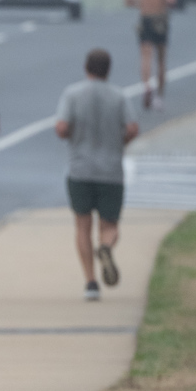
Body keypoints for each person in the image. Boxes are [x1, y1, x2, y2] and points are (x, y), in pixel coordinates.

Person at [54, 49, 139, 301]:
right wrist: (119, 140)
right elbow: (133, 127)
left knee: (82, 224)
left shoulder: (72, 94)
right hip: (111, 170)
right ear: (108, 69)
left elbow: (61, 127)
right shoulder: (119, 96)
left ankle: (90, 282)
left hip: (80, 168)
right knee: (110, 224)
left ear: (86, 67)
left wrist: (72, 136)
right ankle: (106, 246)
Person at [124, 0, 177, 111]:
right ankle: (159, 96)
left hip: (145, 19)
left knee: (145, 55)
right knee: (161, 59)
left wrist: (140, 4)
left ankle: (146, 84)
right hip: (160, 21)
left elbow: (128, 0)